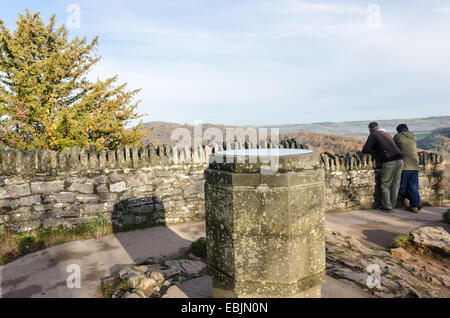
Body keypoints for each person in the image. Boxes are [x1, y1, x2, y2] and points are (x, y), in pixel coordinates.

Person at [362, 122, 404, 212]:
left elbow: (366, 149)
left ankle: (387, 206)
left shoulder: (373, 134)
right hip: (400, 160)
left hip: (389, 161)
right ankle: (392, 205)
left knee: (385, 184)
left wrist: (376, 154)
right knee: (395, 184)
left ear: (370, 129)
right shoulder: (385, 133)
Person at [394, 124, 421, 213]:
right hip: (415, 166)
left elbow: (392, 147)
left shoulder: (398, 136)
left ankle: (415, 202)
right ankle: (415, 205)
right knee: (413, 187)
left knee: (400, 188)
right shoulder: (412, 136)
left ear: (399, 131)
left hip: (405, 166)